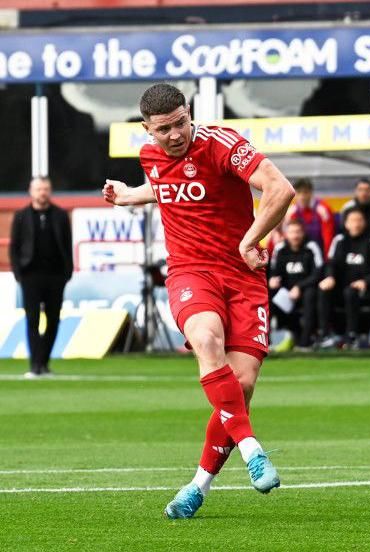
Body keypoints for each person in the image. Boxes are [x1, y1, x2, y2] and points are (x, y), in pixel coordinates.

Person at [103, 83, 291, 518]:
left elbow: (279, 189)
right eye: (164, 129)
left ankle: (197, 486)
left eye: (181, 123)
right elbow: (167, 187)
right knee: (206, 341)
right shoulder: (150, 158)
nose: (175, 134)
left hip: (244, 277)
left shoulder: (223, 144)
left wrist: (251, 239)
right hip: (191, 272)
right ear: (147, 130)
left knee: (240, 387)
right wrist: (132, 194)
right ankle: (252, 449)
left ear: (190, 113)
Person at [9, 177, 73, 378]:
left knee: (53, 320)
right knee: (32, 320)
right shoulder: (21, 216)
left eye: (45, 189)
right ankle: (35, 365)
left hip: (56, 276)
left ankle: (43, 363)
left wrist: (67, 273)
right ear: (31, 191)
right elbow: (14, 247)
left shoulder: (61, 215)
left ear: (50, 191)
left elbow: (67, 245)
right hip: (30, 276)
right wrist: (19, 273)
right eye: (38, 189)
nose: (42, 193)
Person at [318, 209, 370, 349]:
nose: (356, 224)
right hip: (341, 286)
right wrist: (330, 277)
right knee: (323, 290)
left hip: (366, 288)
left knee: (350, 292)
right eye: (352, 221)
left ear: (364, 223)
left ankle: (352, 335)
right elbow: (331, 263)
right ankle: (324, 334)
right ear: (346, 224)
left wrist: (366, 281)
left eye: (359, 220)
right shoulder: (339, 240)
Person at [269, 220, 323, 350]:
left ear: (303, 233)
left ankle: (305, 341)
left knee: (311, 295)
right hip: (285, 291)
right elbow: (273, 270)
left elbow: (318, 272)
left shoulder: (311, 247)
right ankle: (267, 341)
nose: (295, 235)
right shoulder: (279, 249)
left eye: (298, 232)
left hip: (306, 289)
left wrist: (300, 287)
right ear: (286, 234)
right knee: (268, 294)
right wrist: (272, 280)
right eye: (292, 232)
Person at [284, 178, 335, 253]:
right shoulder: (291, 211)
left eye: (305, 192)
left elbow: (328, 236)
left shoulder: (323, 209)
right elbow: (289, 236)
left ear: (311, 193)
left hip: (320, 251)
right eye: (299, 193)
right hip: (300, 253)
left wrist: (326, 259)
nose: (302, 197)